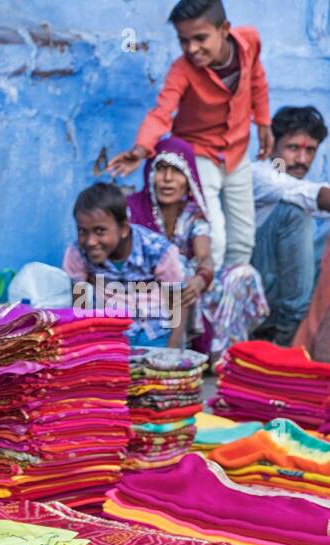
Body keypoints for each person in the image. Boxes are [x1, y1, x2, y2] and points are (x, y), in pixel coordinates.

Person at [107, 0, 272, 272]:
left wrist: (263, 122)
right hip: (198, 155)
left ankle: (228, 300)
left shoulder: (249, 42)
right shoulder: (182, 70)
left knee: (243, 238)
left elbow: (257, 79)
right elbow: (162, 112)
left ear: (224, 29)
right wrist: (140, 150)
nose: (192, 49)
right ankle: (203, 301)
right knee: (213, 238)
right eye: (184, 41)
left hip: (237, 151)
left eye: (200, 38)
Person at [127, 136, 269, 360]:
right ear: (150, 173)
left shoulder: (193, 213)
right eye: (161, 169)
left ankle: (223, 356)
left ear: (188, 178)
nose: (167, 179)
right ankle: (175, 349)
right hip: (143, 290)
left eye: (176, 172)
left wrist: (201, 279)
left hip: (187, 291)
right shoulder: (132, 209)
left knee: (243, 274)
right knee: (178, 265)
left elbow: (204, 256)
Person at [63, 183, 186, 348]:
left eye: (100, 231)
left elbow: (178, 300)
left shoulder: (157, 250)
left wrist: (173, 348)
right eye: (82, 231)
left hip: (154, 333)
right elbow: (81, 308)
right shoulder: (78, 253)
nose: (90, 241)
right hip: (109, 333)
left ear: (123, 229)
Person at [250, 106, 330, 347]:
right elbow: (309, 195)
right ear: (272, 143)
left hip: (281, 293)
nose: (302, 159)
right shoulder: (260, 174)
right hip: (253, 292)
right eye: (293, 148)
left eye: (310, 150)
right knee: (294, 215)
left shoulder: (299, 181)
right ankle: (287, 336)